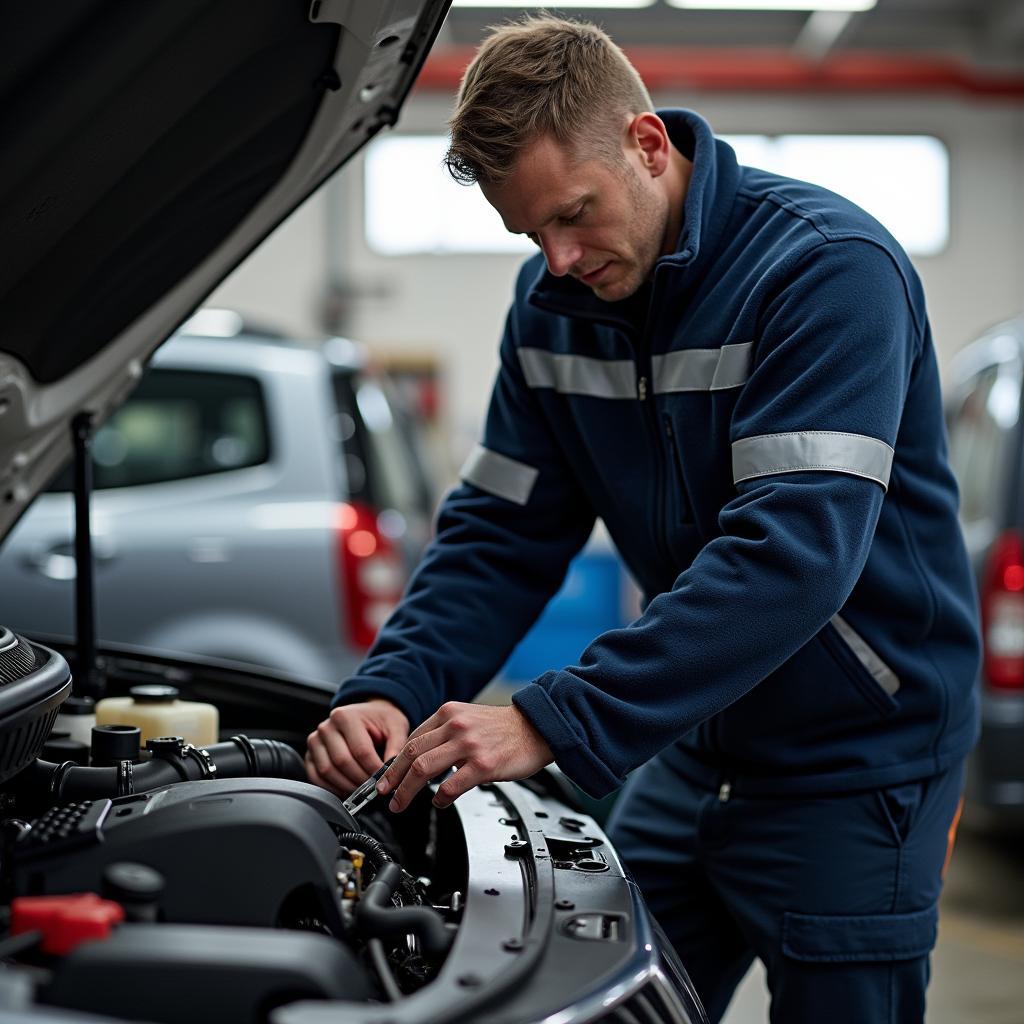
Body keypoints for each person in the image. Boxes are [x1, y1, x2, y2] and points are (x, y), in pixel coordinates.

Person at [305, 16, 979, 1023]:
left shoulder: (826, 272)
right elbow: (499, 534)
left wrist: (548, 717)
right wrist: (394, 685)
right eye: (530, 233)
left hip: (857, 761)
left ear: (647, 143)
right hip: (696, 741)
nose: (559, 258)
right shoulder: (551, 306)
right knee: (599, 1000)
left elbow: (793, 555)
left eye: (573, 214)